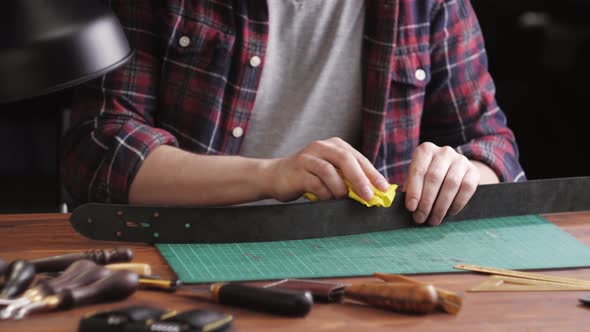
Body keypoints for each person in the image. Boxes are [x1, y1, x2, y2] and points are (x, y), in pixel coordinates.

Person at [61, 0, 525, 226]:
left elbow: (492, 147)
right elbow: (102, 150)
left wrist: (461, 172)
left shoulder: (427, 4)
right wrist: (272, 175)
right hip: (187, 243)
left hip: (368, 258)